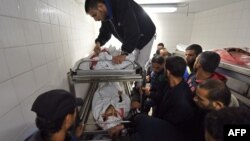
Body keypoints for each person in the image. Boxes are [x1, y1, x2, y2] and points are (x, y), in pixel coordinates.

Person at [85, 0, 156, 68]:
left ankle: (140, 79)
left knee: (140, 65)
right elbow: (105, 31)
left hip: (146, 34)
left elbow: (131, 29)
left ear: (100, 6)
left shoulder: (121, 4)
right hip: (136, 37)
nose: (95, 19)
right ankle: (135, 78)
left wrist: (124, 53)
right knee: (134, 63)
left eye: (94, 15)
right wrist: (98, 43)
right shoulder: (106, 15)